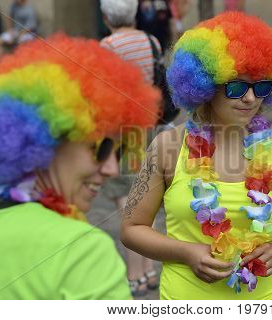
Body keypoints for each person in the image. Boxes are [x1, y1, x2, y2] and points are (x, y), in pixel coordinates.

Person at [121, 12, 272, 300]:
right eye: (236, 87)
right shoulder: (167, 147)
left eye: (260, 87)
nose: (250, 98)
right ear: (206, 87)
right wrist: (186, 253)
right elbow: (132, 228)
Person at [0, 34, 161, 299]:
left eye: (118, 150)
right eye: (99, 148)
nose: (112, 168)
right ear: (48, 139)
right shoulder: (84, 252)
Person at [100, 0, 163, 297]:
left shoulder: (107, 45)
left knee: (125, 201)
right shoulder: (152, 41)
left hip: (122, 130)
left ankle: (135, 273)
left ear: (105, 17)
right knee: (145, 196)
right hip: (148, 125)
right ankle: (148, 268)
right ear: (135, 13)